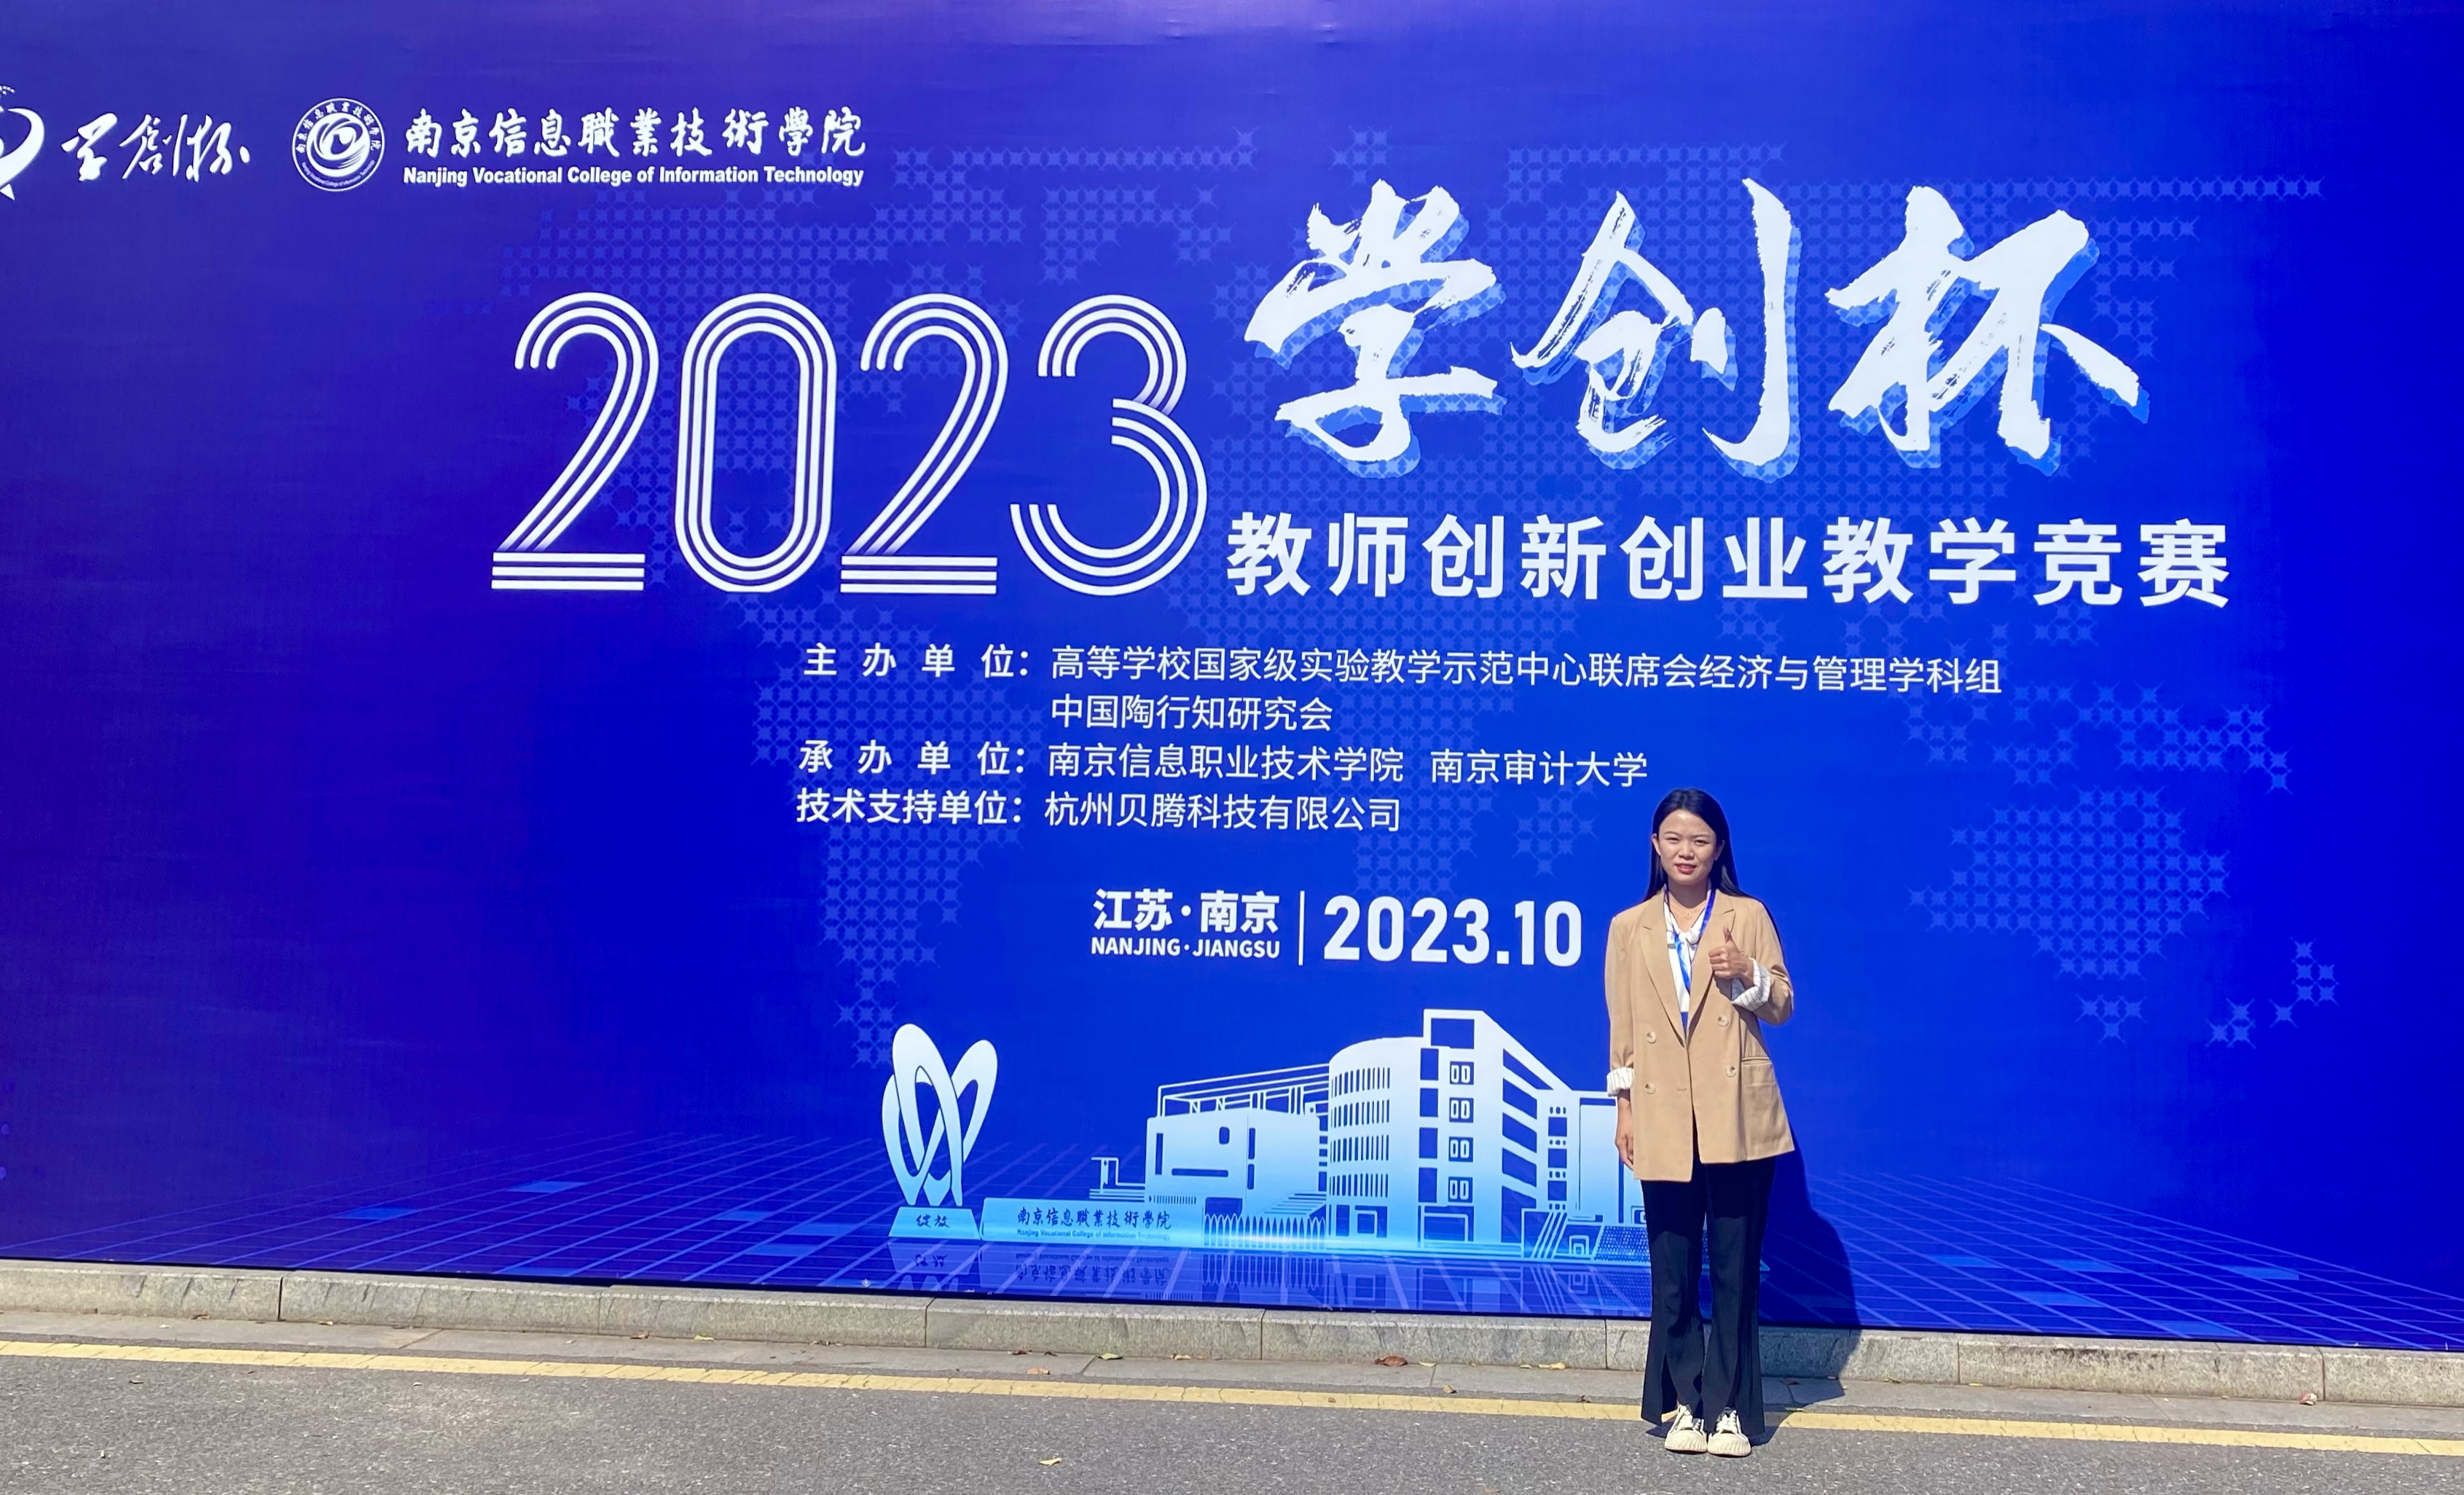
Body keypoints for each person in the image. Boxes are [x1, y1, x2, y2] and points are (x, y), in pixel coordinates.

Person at [1605, 787, 1795, 1459]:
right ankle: (1687, 1401)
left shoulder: (1747, 915)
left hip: (1735, 1114)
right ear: (1655, 846)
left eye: (1701, 841)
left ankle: (1731, 1409)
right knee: (1674, 1270)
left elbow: (1783, 1005)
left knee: (1737, 1270)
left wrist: (1747, 971)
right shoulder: (1629, 927)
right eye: (1674, 839)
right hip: (1662, 1112)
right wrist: (1625, 1109)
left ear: (1719, 850)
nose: (1686, 851)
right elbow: (1623, 1030)